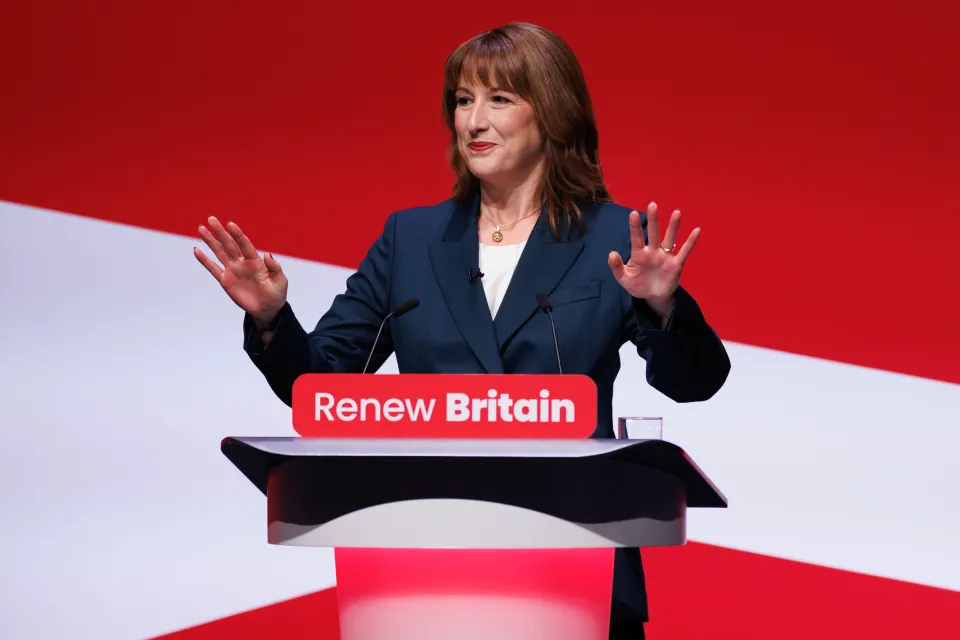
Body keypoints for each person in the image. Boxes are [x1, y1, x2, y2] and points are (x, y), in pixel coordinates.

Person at [194, 21, 730, 639]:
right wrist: (269, 317)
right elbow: (320, 386)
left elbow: (695, 382)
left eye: (499, 99)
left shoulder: (611, 240)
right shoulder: (412, 239)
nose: (474, 121)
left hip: (573, 566)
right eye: (462, 100)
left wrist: (663, 308)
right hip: (423, 570)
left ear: (551, 112)